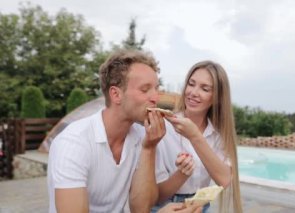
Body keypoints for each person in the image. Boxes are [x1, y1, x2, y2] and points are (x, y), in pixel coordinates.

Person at [47, 49, 199, 213]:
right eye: (145, 89)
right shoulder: (74, 143)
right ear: (116, 94)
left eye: (156, 88)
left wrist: (149, 148)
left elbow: (141, 208)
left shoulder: (143, 137)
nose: (156, 97)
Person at [152, 61, 243, 213]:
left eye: (205, 88)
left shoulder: (218, 135)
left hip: (199, 207)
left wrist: (194, 136)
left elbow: (225, 179)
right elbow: (156, 196)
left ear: (217, 98)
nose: (193, 92)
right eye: (191, 84)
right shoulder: (164, 128)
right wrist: (181, 174)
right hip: (164, 208)